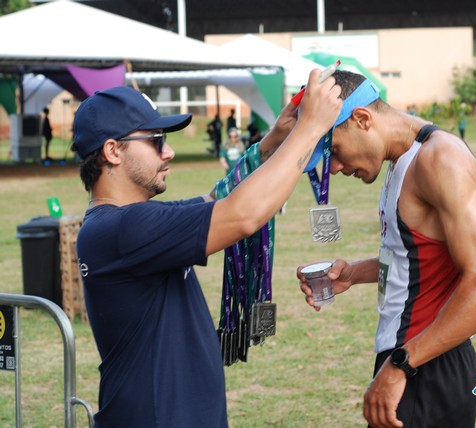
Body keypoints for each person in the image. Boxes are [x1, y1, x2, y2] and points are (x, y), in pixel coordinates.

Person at [71, 71, 341, 427]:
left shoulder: (129, 222)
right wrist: (310, 128)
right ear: (113, 151)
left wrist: (273, 141)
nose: (169, 151)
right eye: (155, 141)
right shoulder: (124, 229)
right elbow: (242, 214)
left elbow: (217, 198)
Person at [297, 70, 476, 428]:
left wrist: (401, 365)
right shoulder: (404, 157)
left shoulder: (440, 159)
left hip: (425, 366)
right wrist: (354, 274)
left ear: (362, 119)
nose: (333, 168)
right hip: (413, 360)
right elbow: (419, 257)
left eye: (333, 151)